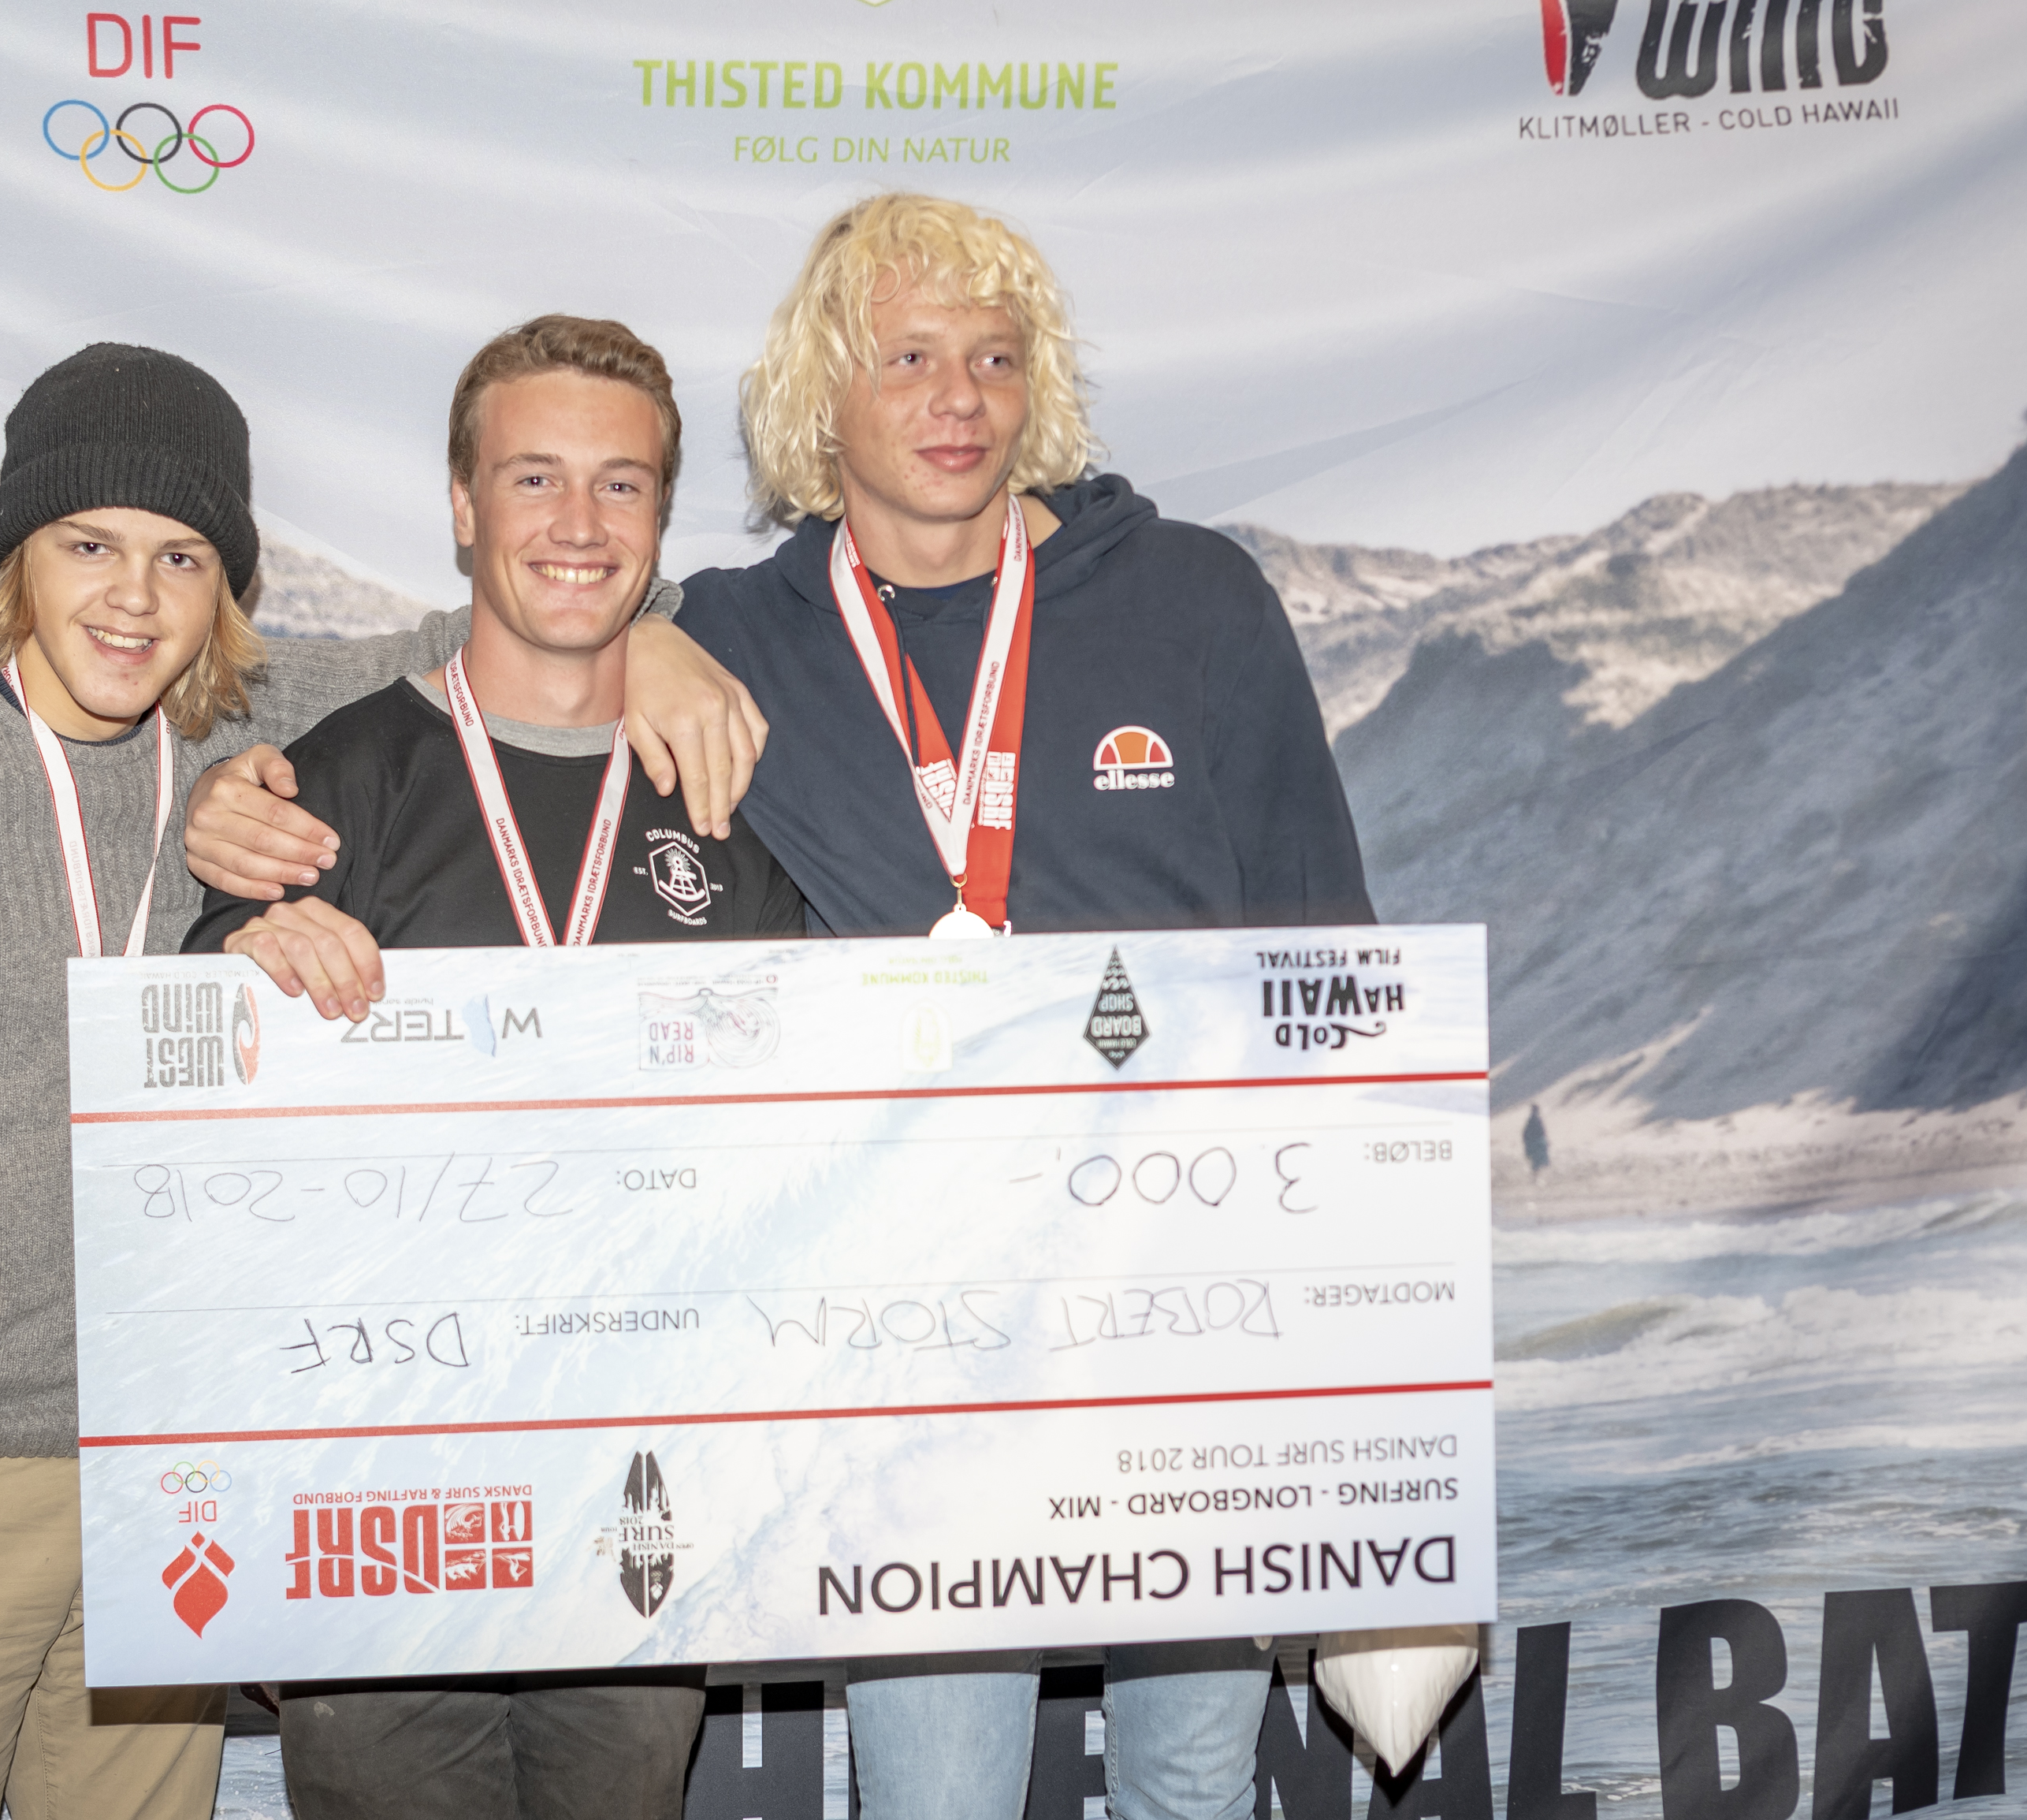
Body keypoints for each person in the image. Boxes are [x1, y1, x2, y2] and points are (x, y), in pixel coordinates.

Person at [179, 194, 1381, 1820]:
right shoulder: (745, 632)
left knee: (1191, 1789)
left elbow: (1327, 955)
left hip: (1177, 1310)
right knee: (937, 1803)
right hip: (914, 1354)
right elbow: (497, 647)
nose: (957, 398)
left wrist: (1358, 1353)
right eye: (908, 358)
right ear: (826, 392)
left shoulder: (1191, 597)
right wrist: (241, 791)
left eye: (994, 358)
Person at [0, 342, 761, 1820]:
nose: (133, 598)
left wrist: (663, 639)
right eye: (88, 545)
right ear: (15, 555)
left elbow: (525, 607)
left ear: (225, 584)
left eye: (181, 557)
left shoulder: (242, 723)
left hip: (178, 1466)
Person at [188, 316, 801, 1818]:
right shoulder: (338, 781)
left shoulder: (728, 795)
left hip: (643, 1502)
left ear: (662, 517)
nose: (578, 523)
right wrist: (238, 972)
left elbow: (809, 1154)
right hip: (378, 1509)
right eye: (534, 479)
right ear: (463, 507)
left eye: (620, 484)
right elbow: (198, 1153)